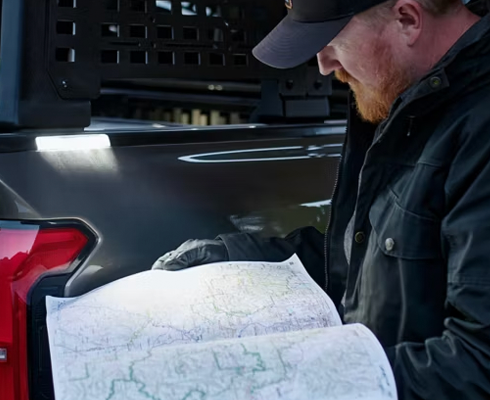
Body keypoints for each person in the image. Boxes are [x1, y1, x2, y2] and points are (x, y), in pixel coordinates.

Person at [151, 0, 490, 399]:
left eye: (332, 40)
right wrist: (237, 258)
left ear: (407, 20)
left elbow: (477, 365)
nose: (324, 66)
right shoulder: (404, 99)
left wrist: (297, 376)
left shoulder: (477, 129)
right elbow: (365, 265)